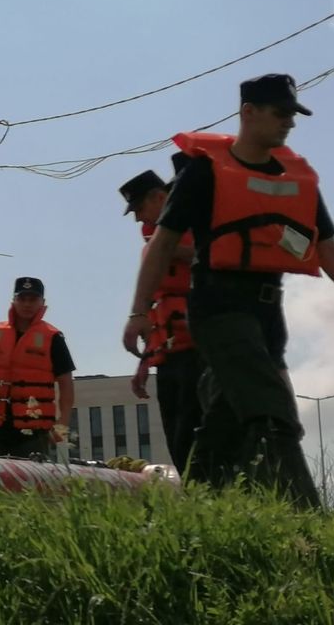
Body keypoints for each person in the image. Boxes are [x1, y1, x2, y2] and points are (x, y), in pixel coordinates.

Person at [122, 73, 334, 509]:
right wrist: (138, 313)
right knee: (273, 413)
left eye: (292, 116)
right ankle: (308, 522)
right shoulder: (205, 173)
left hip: (268, 313)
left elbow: (329, 251)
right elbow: (163, 243)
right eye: (280, 114)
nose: (289, 124)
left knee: (222, 423)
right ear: (248, 112)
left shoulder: (296, 180)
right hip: (219, 308)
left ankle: (191, 508)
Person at [118, 169, 203, 475]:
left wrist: (168, 249)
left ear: (159, 198)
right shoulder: (151, 246)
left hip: (203, 347)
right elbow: (154, 307)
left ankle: (219, 497)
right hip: (168, 354)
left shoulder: (198, 220)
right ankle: (195, 498)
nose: (138, 219)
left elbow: (219, 259)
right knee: (177, 435)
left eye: (140, 208)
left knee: (202, 432)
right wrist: (144, 362)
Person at [0, 277, 75, 458]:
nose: (27, 304)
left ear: (42, 302)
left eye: (33, 299)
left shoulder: (53, 338)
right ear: (14, 301)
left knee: (32, 483)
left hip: (32, 433)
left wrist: (62, 427)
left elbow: (66, 386)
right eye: (22, 298)